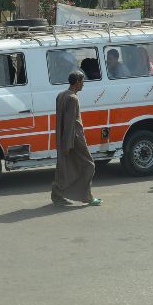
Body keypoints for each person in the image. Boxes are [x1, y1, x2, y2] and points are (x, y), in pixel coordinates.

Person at [52, 71, 101, 207]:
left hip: (63, 138)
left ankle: (57, 195)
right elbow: (70, 123)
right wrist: (68, 144)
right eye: (83, 81)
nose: (84, 84)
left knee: (65, 167)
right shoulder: (73, 98)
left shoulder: (61, 95)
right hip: (75, 139)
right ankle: (87, 196)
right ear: (77, 82)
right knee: (89, 165)